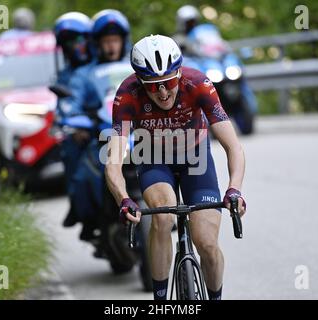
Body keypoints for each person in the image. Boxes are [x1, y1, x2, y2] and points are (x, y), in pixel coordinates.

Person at [105, 35, 246, 300]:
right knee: (162, 216)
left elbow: (233, 146)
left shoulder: (199, 84)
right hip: (153, 156)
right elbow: (112, 161)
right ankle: (160, 301)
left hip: (195, 157)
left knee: (206, 242)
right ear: (139, 82)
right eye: (153, 86)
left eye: (169, 82)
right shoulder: (126, 94)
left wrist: (234, 189)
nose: (163, 92)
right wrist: (123, 199)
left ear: (179, 74)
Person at [58, 9, 133, 242]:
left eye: (116, 40)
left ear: (124, 41)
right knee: (82, 174)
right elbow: (70, 105)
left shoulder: (135, 66)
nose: (111, 46)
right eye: (106, 41)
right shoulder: (84, 74)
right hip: (101, 136)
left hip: (137, 134)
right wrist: (77, 122)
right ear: (97, 44)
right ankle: (87, 217)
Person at [52, 12, 94, 229]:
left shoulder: (103, 62)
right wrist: (74, 125)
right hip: (86, 131)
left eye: (78, 39)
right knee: (69, 150)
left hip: (113, 124)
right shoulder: (65, 76)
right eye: (68, 42)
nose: (74, 46)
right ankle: (80, 207)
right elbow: (62, 107)